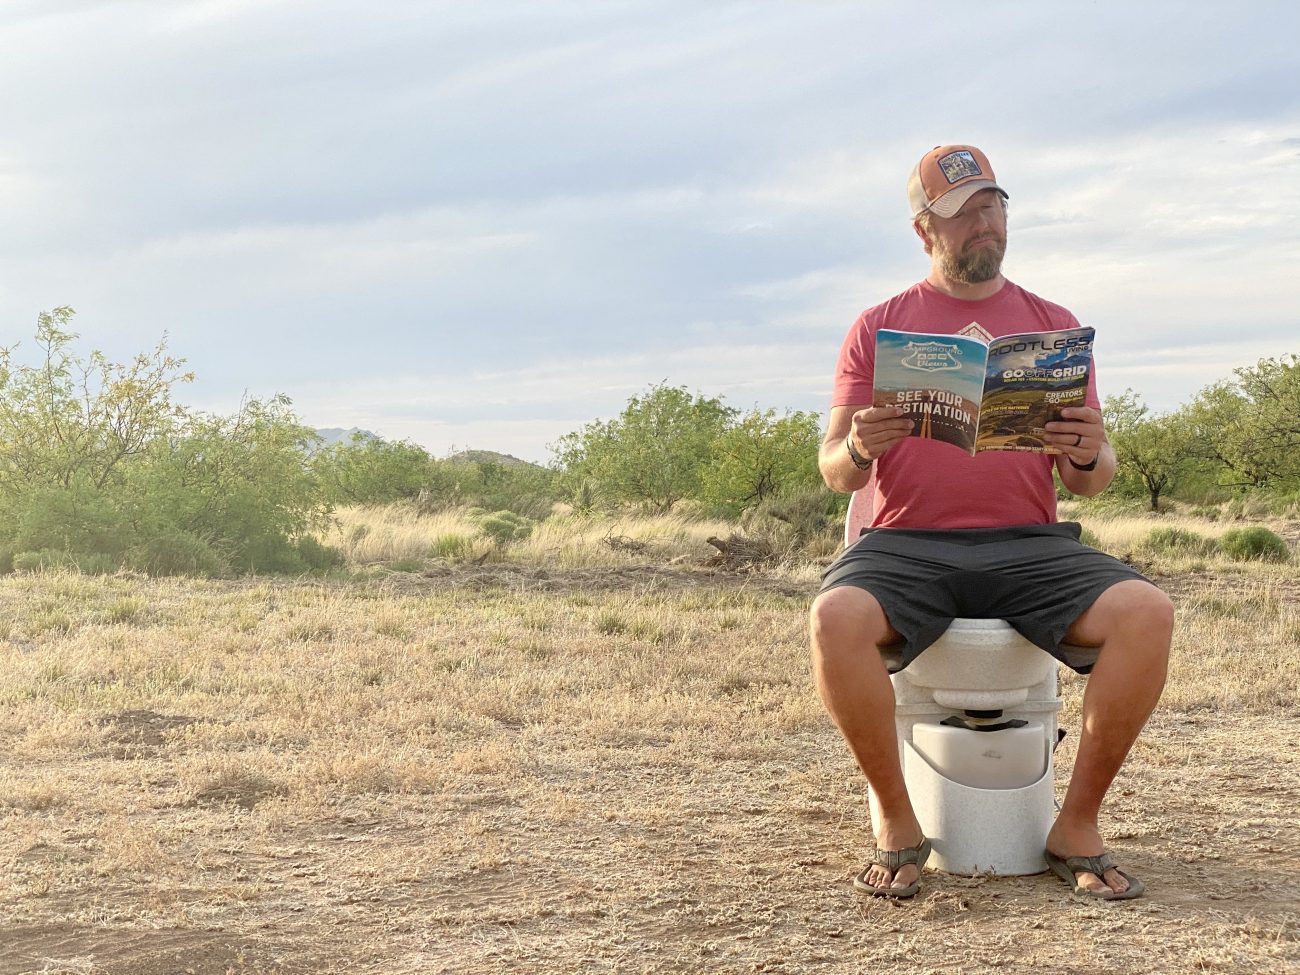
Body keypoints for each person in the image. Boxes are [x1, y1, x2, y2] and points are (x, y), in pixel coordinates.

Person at [809, 144, 1173, 900]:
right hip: (907, 542)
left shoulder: (1053, 326)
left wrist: (1088, 450)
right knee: (832, 617)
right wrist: (856, 445)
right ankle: (898, 822)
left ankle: (1076, 824)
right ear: (924, 229)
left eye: (994, 205)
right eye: (965, 212)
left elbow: (1092, 478)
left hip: (1028, 543)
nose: (985, 222)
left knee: (1148, 611)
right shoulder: (880, 327)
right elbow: (834, 470)